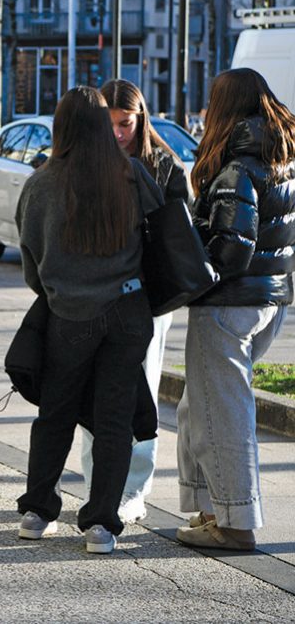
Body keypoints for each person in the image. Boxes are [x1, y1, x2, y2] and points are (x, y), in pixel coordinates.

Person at [15, 86, 158, 555]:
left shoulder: (41, 183)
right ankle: (101, 525)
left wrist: (60, 290)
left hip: (69, 314)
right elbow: (158, 241)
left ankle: (37, 512)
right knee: (114, 420)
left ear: (60, 128)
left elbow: (32, 262)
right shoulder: (132, 174)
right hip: (128, 312)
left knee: (55, 413)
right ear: (101, 126)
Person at [175, 68, 295, 551]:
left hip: (228, 305)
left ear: (224, 107)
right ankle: (210, 509)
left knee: (223, 413)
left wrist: (184, 254)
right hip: (268, 301)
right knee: (198, 407)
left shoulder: (238, 169)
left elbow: (231, 249)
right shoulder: (281, 161)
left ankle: (235, 523)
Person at [75, 78, 190, 525]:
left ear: (141, 119)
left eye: (126, 124)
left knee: (141, 392)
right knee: (95, 393)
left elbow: (181, 235)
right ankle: (96, 487)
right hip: (99, 296)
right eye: (110, 125)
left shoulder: (164, 165)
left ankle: (134, 491)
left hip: (148, 298)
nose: (118, 134)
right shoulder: (88, 162)